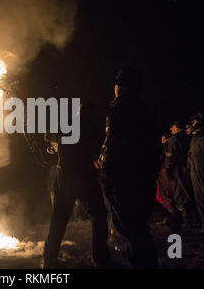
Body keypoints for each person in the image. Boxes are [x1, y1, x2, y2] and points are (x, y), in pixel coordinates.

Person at [95, 67, 160, 268]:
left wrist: (106, 174)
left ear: (120, 87)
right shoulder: (146, 110)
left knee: (131, 228)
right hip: (144, 177)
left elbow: (113, 145)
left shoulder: (119, 109)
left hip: (124, 179)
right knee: (138, 226)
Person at [43, 101, 112, 269]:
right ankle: (100, 257)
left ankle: (49, 260)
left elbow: (48, 137)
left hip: (66, 175)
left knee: (59, 218)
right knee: (99, 215)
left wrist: (55, 146)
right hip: (83, 174)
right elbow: (100, 147)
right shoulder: (91, 126)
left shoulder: (66, 124)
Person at [163, 121, 195, 227]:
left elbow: (170, 156)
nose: (171, 130)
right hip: (189, 168)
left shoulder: (174, 139)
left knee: (180, 194)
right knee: (189, 192)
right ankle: (194, 219)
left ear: (176, 128)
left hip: (178, 169)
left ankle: (187, 221)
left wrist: (167, 168)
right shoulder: (188, 137)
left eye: (172, 127)